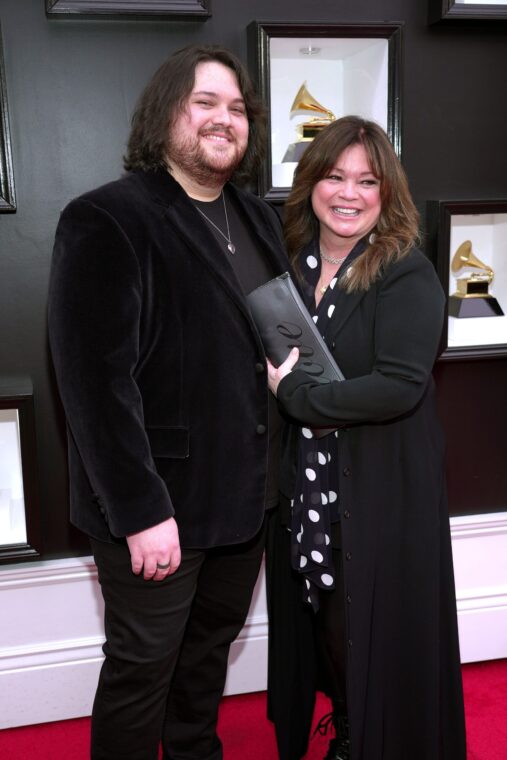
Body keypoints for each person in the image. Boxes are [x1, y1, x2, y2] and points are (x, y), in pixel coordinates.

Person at [48, 44, 288, 760]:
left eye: (236, 107)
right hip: (156, 510)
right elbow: (94, 385)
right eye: (204, 102)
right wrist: (142, 512)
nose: (224, 118)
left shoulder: (258, 218)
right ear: (166, 115)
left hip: (245, 501)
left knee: (205, 662)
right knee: (140, 672)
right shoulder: (107, 218)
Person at [265, 116, 466, 760]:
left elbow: (399, 385)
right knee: (325, 615)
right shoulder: (296, 267)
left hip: (383, 487)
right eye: (334, 175)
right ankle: (350, 726)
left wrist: (295, 398)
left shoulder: (405, 272)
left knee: (373, 627)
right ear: (311, 184)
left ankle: (375, 740)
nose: (348, 192)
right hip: (313, 485)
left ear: (387, 194)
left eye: (366, 180)